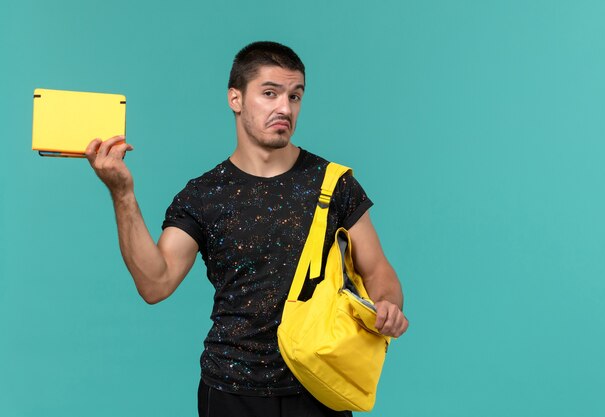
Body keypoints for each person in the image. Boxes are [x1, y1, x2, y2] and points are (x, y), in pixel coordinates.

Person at [86, 41, 409, 417]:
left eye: (295, 96)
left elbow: (379, 271)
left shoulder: (334, 184)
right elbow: (155, 283)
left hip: (321, 384)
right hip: (230, 392)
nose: (284, 108)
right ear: (235, 98)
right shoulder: (203, 195)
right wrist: (122, 193)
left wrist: (386, 304)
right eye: (269, 93)